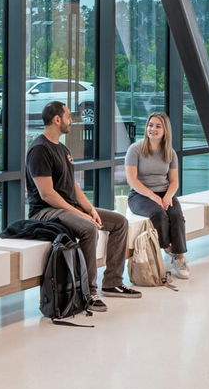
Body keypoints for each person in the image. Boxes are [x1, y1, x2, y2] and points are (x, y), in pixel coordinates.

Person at [26, 100, 140, 307]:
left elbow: (73, 187)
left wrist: (89, 209)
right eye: (69, 116)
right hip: (45, 211)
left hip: (67, 207)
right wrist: (81, 215)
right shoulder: (39, 150)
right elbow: (47, 194)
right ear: (57, 119)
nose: (72, 120)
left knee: (119, 222)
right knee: (88, 228)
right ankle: (87, 292)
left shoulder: (62, 148)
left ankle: (112, 282)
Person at [124, 111, 190, 279]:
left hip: (164, 192)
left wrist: (167, 197)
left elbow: (174, 181)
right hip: (139, 195)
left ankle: (180, 257)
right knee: (158, 214)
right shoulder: (135, 149)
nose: (152, 129)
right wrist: (154, 197)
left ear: (165, 130)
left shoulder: (170, 153)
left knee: (176, 215)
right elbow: (132, 180)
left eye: (157, 126)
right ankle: (169, 249)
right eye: (150, 125)